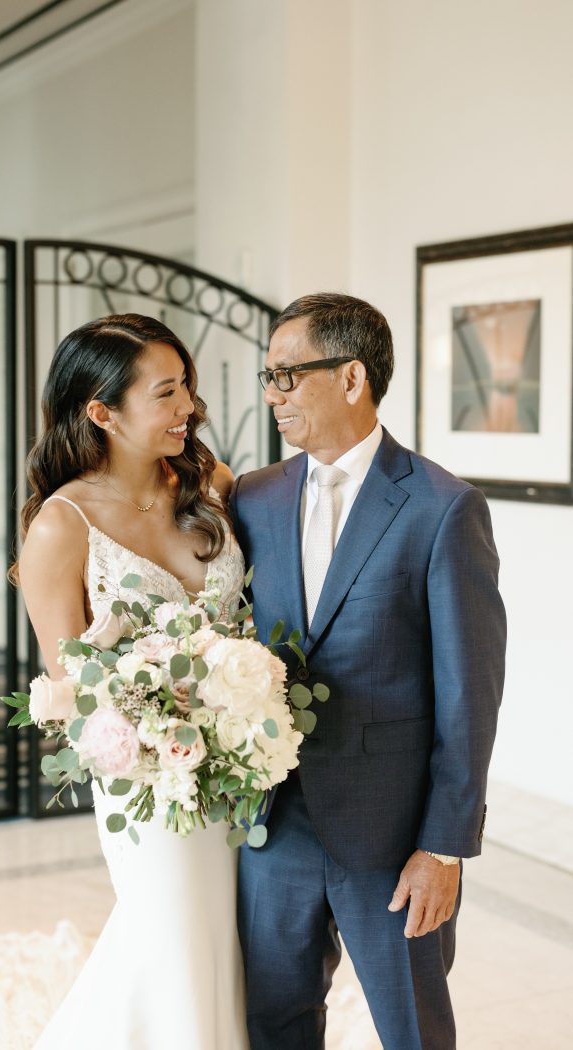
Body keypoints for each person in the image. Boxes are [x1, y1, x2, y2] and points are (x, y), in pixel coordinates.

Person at [230, 293, 506, 1050]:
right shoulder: (252, 497)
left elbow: (469, 696)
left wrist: (443, 846)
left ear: (351, 378)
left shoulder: (443, 508)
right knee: (273, 1024)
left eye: (288, 375)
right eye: (268, 376)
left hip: (392, 837)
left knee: (413, 1031)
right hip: (274, 827)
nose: (272, 394)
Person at [16, 314, 249, 1050]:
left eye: (188, 387)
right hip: (150, 776)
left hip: (248, 759)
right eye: (168, 391)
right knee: (173, 946)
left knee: (236, 951)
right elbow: (70, 681)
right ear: (102, 411)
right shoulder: (63, 523)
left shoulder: (212, 486)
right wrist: (161, 714)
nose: (190, 408)